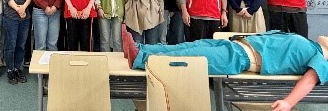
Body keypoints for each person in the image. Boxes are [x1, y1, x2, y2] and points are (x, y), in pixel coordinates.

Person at [128, 32, 328, 111]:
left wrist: (288, 102)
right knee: (188, 46)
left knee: (188, 57)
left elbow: (310, 80)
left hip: (240, 58)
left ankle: (140, 58)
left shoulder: (322, 60)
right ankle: (142, 48)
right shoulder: (314, 45)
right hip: (236, 44)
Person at [1, 0, 32, 85]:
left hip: (25, 17)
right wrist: (18, 9)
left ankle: (18, 68)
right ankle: (10, 69)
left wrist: (23, 8)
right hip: (11, 17)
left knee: (21, 45)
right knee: (11, 44)